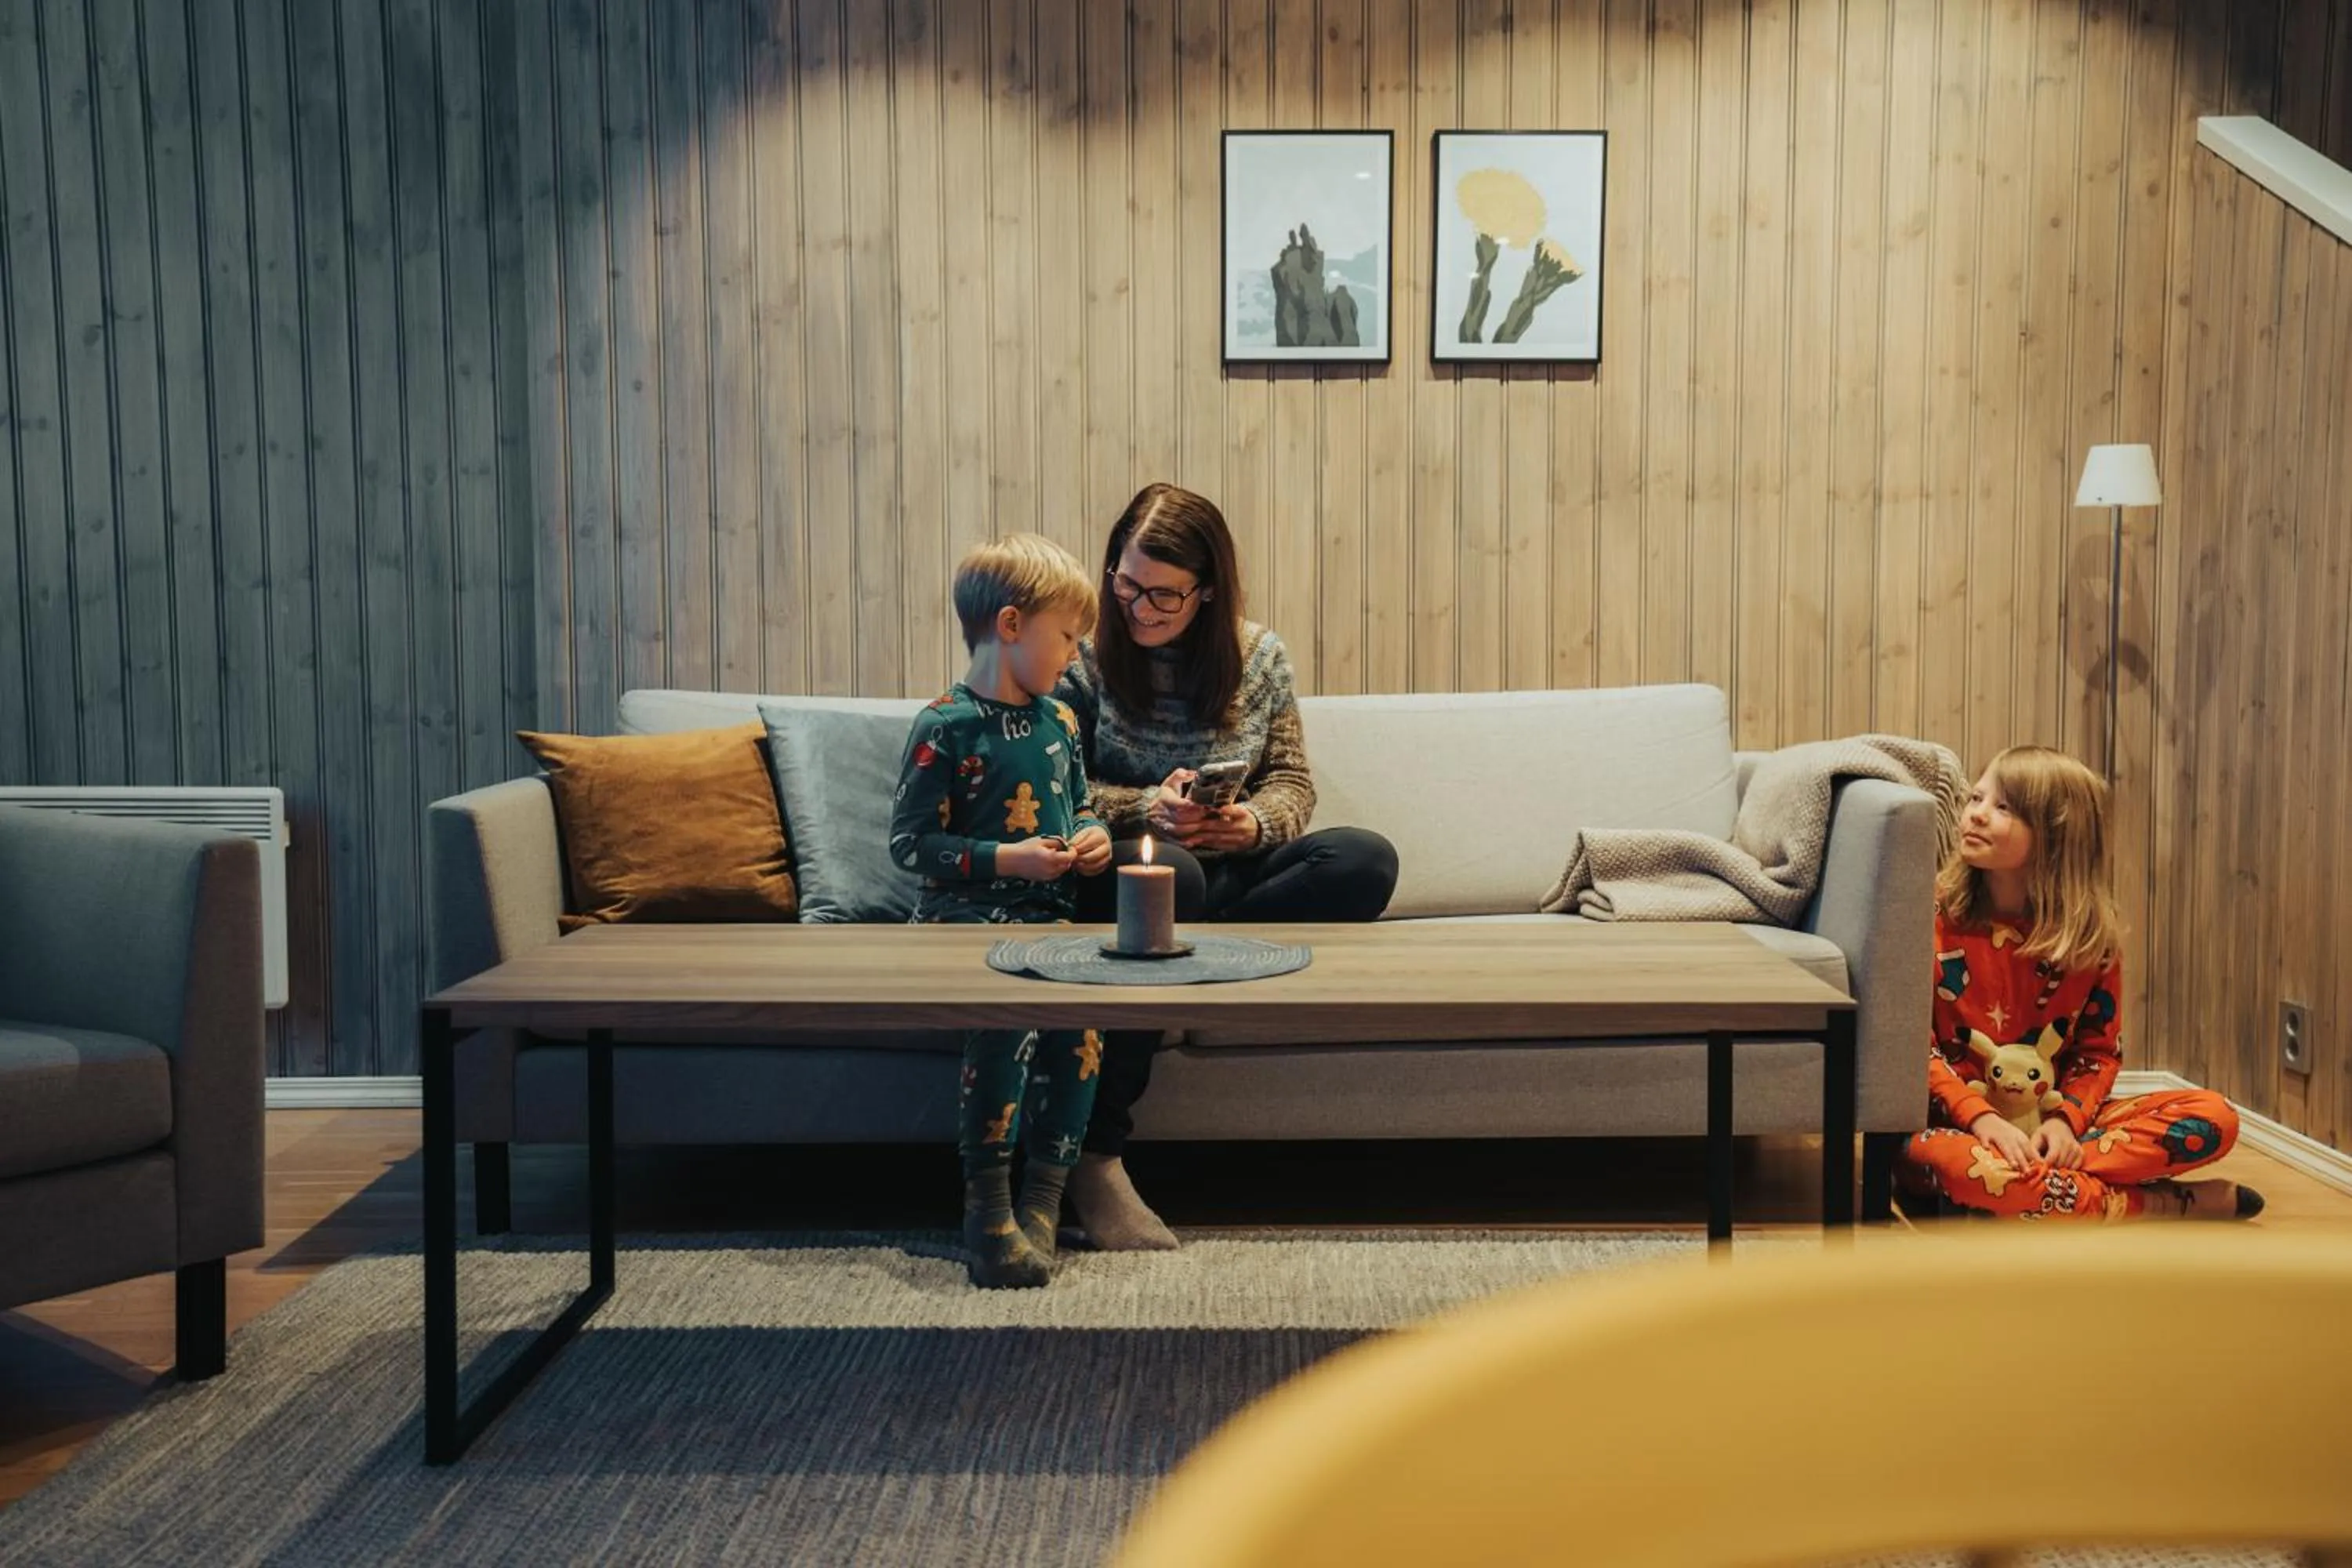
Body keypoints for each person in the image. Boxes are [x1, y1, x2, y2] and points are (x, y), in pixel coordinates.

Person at [1058, 482, 1400, 1250]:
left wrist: (1248, 822)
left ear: (1206, 592)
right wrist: (1150, 806)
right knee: (1172, 875)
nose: (1138, 607)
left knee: (1365, 859)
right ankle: (1096, 1155)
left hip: (1231, 868)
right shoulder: (1082, 659)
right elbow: (1060, 788)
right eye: (1125, 582)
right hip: (1137, 869)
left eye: (1163, 595)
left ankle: (1196, 943)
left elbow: (1293, 783)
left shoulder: (1257, 656)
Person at [1902, 745, 2261, 1221]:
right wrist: (1982, 1118)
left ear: (2056, 835)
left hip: (2053, 1122)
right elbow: (1912, 1050)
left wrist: (2063, 1124)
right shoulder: (1927, 916)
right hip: (1951, 1132)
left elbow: (2097, 1053)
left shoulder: (2091, 938)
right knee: (1977, 1170)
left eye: (2003, 807)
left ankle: (2043, 1188)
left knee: (2216, 1118)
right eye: (1975, 799)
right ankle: (2153, 1205)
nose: (1977, 816)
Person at [889, 535, 1116, 1287]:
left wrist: (1091, 836)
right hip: (962, 920)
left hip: (1047, 916)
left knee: (1083, 1015)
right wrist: (1005, 858)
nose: (1075, 657)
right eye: (1067, 637)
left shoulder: (1062, 723)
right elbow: (910, 843)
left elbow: (1080, 802)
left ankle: (1043, 1197)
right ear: (1012, 625)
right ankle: (987, 1204)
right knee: (1008, 1002)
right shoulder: (946, 725)